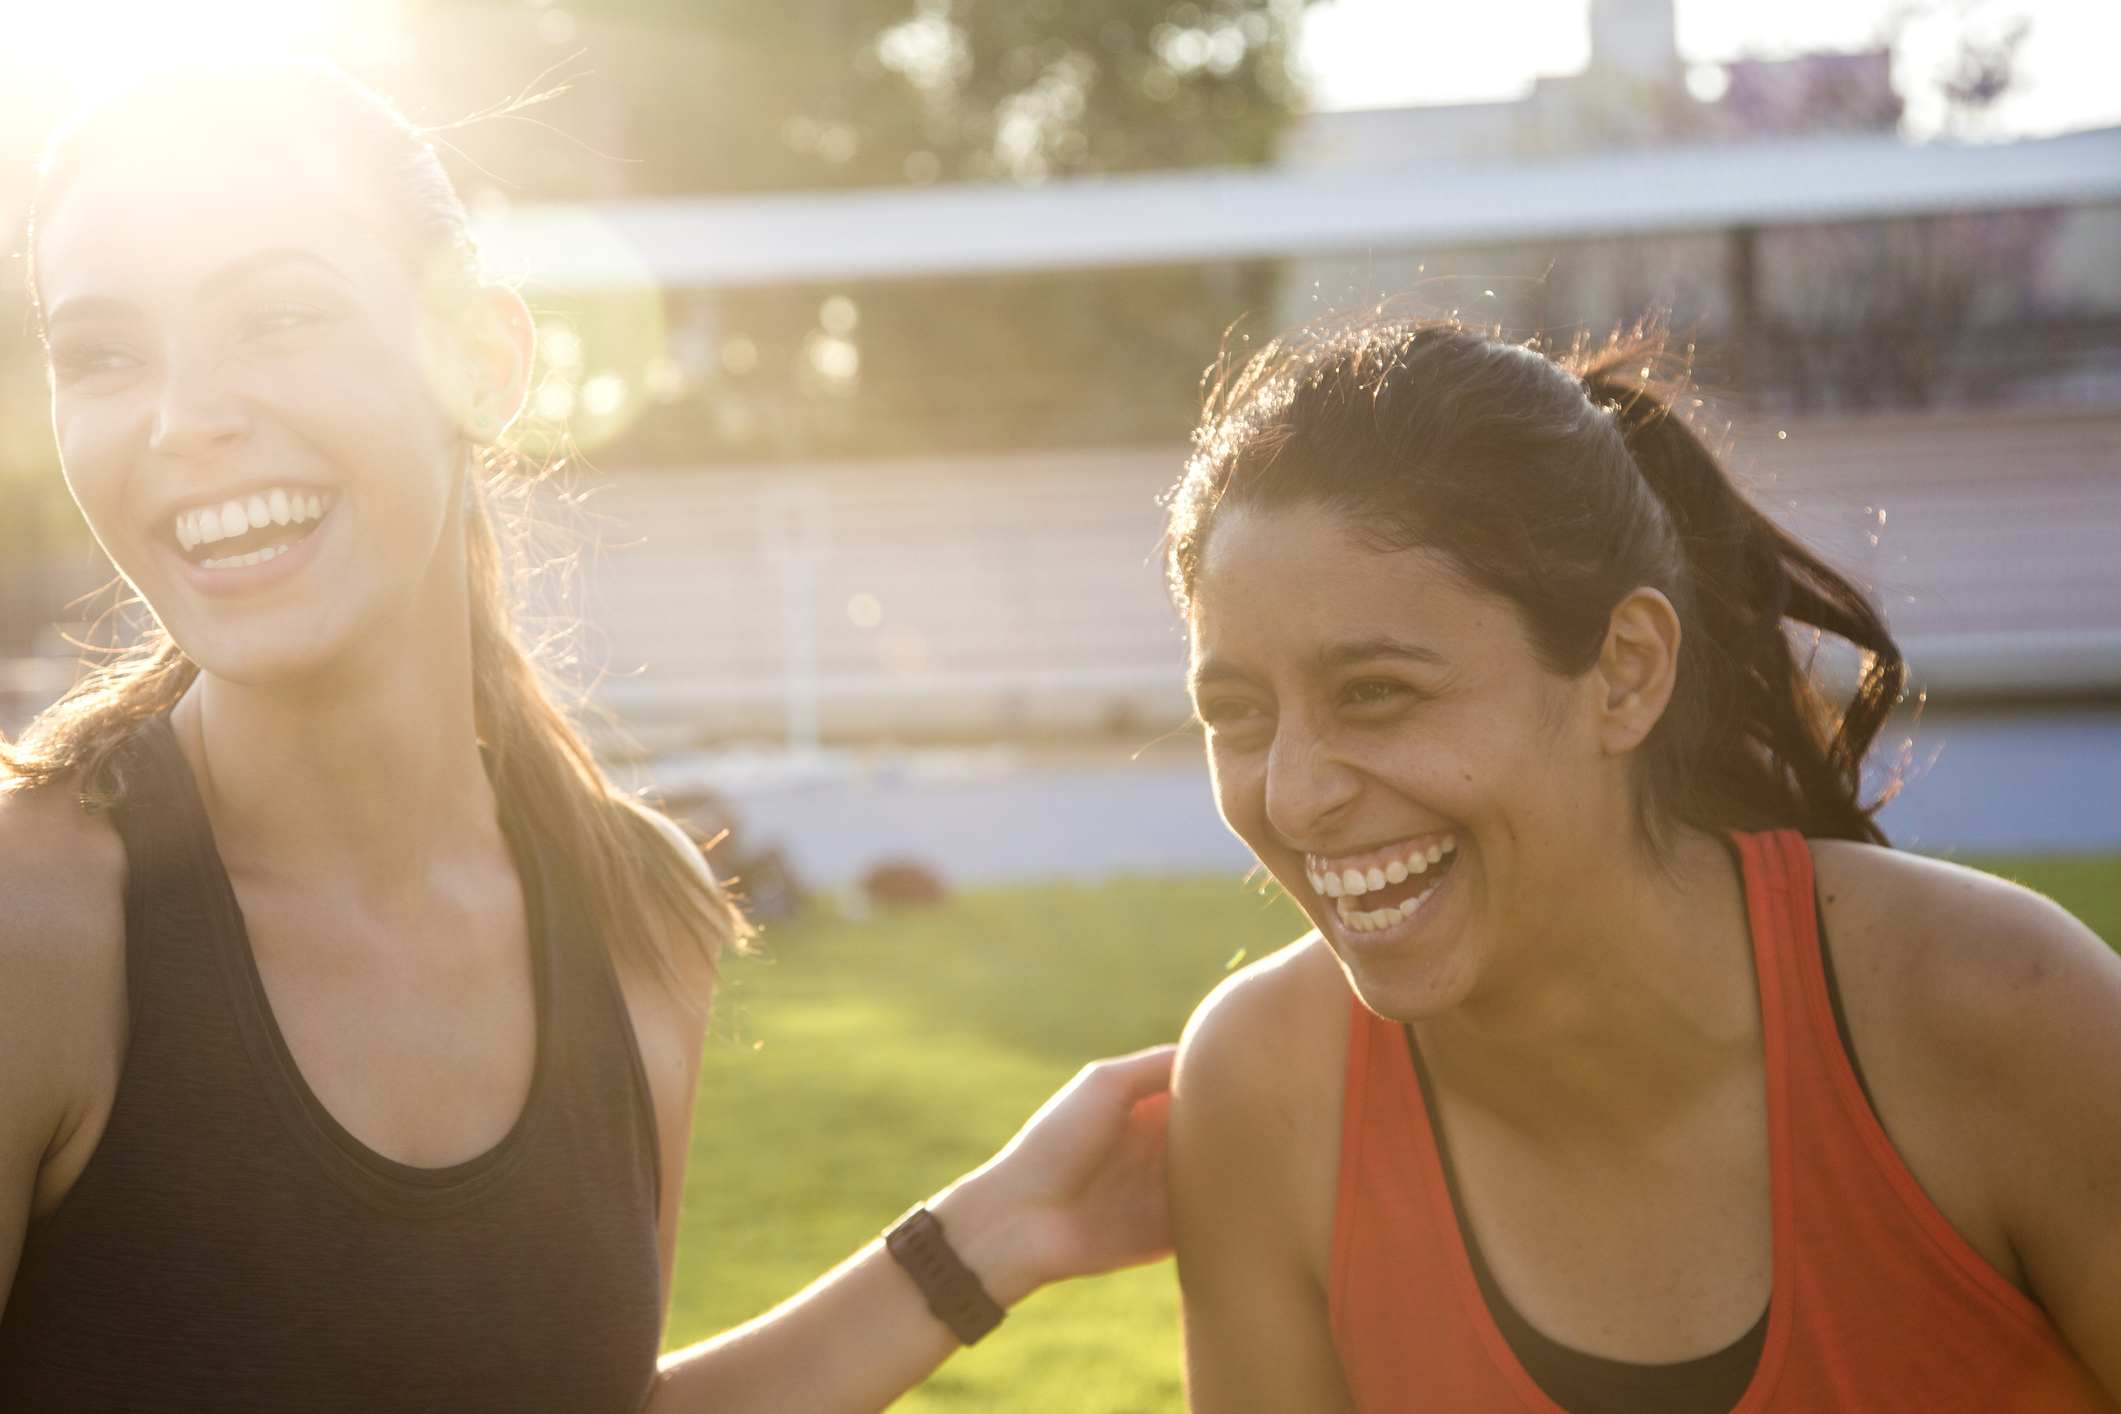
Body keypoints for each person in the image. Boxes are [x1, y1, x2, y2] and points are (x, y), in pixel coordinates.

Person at [0, 60, 1172, 1412]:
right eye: (104, 355)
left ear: (483, 363)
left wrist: (986, 1239)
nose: (181, 419)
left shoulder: (638, 920)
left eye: (279, 317)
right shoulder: (39, 926)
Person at [1163, 316, 2121, 1412]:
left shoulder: (1999, 1008)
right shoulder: (1264, 1094)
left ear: (1625, 672)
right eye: (1237, 714)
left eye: (1376, 692)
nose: (1292, 795)